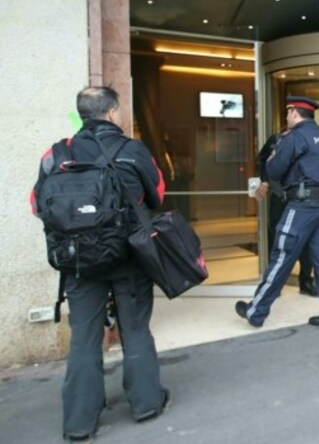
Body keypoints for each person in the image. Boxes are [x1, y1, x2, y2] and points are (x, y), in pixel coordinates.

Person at [31, 86, 169, 442]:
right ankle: (146, 404)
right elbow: (158, 193)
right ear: (112, 113)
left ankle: (79, 421)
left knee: (84, 339)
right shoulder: (133, 150)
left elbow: (37, 205)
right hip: (128, 258)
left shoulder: (56, 153)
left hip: (78, 263)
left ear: (81, 114)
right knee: (136, 330)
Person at [235, 96, 319, 328]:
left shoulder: (294, 137)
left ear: (295, 113)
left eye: (288, 113)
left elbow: (274, 170)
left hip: (301, 206)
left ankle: (255, 312)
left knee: (281, 256)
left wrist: (276, 153)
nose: (286, 117)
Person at [256, 133, 316, 296]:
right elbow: (262, 159)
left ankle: (305, 281)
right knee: (277, 239)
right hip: (279, 197)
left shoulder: (309, 138)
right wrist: (265, 181)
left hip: (302, 197)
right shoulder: (277, 139)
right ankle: (274, 285)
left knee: (305, 238)